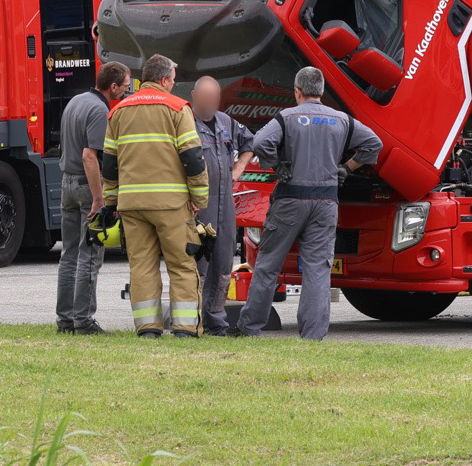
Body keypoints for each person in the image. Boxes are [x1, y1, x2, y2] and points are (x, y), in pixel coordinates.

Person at [235, 66, 381, 341]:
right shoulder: (342, 120)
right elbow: (374, 143)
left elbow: (260, 141)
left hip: (290, 200)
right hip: (325, 202)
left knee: (268, 264)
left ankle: (250, 327)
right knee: (317, 268)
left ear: (297, 91)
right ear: (321, 91)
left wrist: (277, 164)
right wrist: (346, 168)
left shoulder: (287, 117)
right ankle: (313, 335)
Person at [98, 53, 208, 338]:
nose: (173, 85)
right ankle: (185, 328)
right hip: (171, 204)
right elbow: (193, 158)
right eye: (173, 80)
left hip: (132, 205)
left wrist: (111, 201)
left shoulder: (118, 111)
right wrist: (199, 199)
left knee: (142, 267)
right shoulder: (177, 108)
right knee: (182, 265)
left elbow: (109, 164)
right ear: (164, 80)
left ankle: (148, 328)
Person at [56, 61, 131, 333]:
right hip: (87, 186)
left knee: (69, 254)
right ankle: (84, 321)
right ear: (113, 86)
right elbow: (90, 156)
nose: (126, 91)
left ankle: (65, 319)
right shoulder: (100, 110)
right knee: (90, 256)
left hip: (66, 182)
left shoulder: (76, 101)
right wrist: (99, 199)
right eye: (125, 86)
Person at [190, 75, 255, 335]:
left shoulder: (226, 122)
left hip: (225, 205)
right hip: (198, 205)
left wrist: (238, 169)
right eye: (206, 97)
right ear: (194, 96)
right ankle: (192, 320)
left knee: (223, 264)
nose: (210, 102)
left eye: (214, 98)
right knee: (197, 265)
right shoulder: (185, 123)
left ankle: (216, 321)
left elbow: (250, 143)